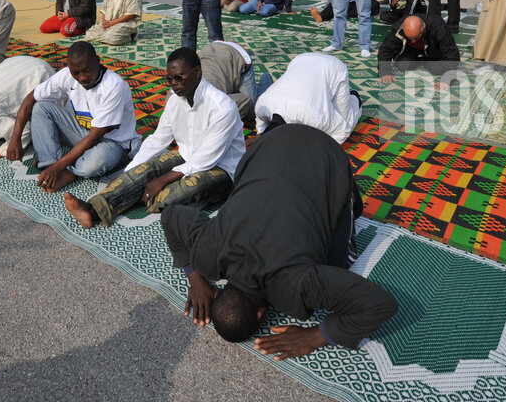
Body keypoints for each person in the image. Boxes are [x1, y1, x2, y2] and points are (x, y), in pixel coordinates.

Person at [160, 122, 398, 356]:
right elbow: (170, 215)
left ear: (261, 314)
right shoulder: (207, 252)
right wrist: (194, 273)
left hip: (329, 153)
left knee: (340, 259)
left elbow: (379, 304)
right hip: (272, 140)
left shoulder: (299, 286)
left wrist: (316, 336)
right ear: (219, 292)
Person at [64, 47, 244, 228]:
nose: (174, 84)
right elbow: (158, 139)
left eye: (179, 78)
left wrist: (162, 180)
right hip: (187, 154)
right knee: (146, 169)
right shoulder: (175, 99)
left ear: (197, 72)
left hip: (221, 167)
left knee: (189, 188)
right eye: (169, 79)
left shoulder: (222, 107)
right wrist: (130, 173)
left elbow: (207, 157)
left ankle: (136, 195)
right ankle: (92, 210)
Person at [7, 41, 140, 192]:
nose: (82, 77)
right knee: (41, 107)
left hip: (114, 144)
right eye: (76, 73)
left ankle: (70, 173)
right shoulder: (66, 76)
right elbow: (31, 97)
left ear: (97, 61)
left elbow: (95, 137)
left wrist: (59, 167)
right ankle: (49, 164)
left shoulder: (113, 86)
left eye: (86, 70)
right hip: (84, 133)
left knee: (94, 163)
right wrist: (15, 139)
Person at [254, 53, 361, 145]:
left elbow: (342, 131)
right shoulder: (261, 106)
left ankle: (355, 97)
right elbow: (261, 124)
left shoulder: (314, 117)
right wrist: (260, 134)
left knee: (345, 119)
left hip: (334, 67)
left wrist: (320, 152)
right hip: (301, 58)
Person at [378, 13, 460, 90]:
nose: (413, 41)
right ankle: (422, 61)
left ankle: (427, 61)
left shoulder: (438, 26)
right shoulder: (400, 26)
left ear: (423, 27)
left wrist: (447, 80)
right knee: (402, 65)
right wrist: (385, 72)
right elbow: (386, 48)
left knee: (436, 69)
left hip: (433, 51)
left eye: (416, 38)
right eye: (410, 38)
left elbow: (451, 53)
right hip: (411, 50)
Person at [198, 40, 269, 122]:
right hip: (212, 49)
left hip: (238, 55)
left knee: (252, 111)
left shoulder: (215, 100)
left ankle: (267, 80)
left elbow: (245, 100)